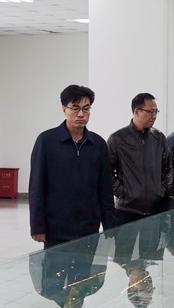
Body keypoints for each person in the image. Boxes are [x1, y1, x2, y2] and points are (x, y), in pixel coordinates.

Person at [29, 84, 115, 247]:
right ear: (64, 110)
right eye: (75, 108)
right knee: (55, 264)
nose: (81, 114)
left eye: (86, 109)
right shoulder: (46, 141)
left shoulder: (98, 144)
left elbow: (105, 189)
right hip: (56, 227)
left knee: (86, 264)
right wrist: (37, 226)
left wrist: (109, 224)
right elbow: (36, 186)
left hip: (88, 227)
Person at [108, 93, 173, 265]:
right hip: (126, 210)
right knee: (123, 258)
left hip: (154, 210)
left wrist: (160, 191)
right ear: (136, 111)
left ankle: (145, 279)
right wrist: (123, 192)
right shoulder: (117, 139)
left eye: (156, 112)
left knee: (150, 259)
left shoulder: (159, 138)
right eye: (150, 111)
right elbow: (107, 172)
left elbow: (168, 169)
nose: (154, 116)